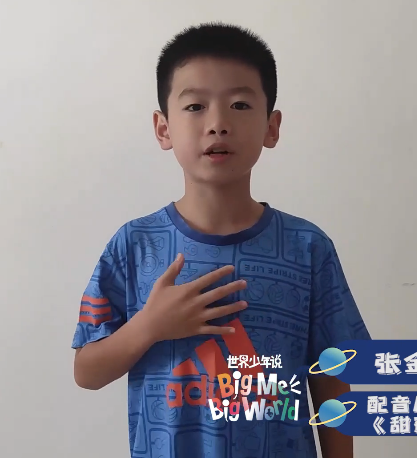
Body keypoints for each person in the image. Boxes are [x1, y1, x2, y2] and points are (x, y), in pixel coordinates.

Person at [71, 22, 371, 458]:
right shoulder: (135, 245)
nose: (218, 124)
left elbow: (333, 374)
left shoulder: (307, 248)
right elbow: (86, 372)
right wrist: (149, 326)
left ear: (271, 127)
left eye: (240, 104)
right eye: (195, 106)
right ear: (163, 128)